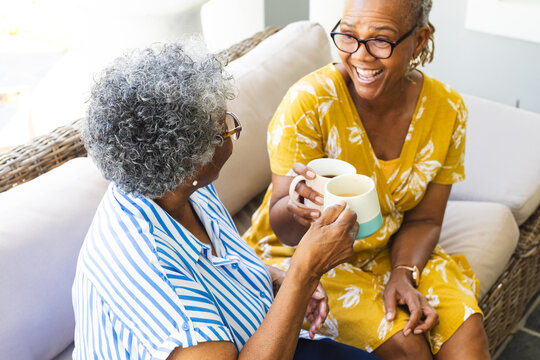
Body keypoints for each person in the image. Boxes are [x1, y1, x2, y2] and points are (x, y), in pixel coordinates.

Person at [72, 41, 380, 360]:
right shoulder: (149, 268)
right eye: (226, 126)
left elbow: (217, 267)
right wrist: (304, 272)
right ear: (194, 160)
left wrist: (276, 279)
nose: (232, 128)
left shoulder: (173, 184)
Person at [243, 0, 491, 359]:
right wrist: (299, 207)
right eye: (348, 35)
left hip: (391, 248)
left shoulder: (447, 109)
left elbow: (424, 218)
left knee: (467, 338)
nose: (360, 56)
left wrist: (404, 274)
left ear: (419, 40)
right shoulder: (309, 103)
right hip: (306, 253)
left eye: (380, 41)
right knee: (409, 345)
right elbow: (282, 227)